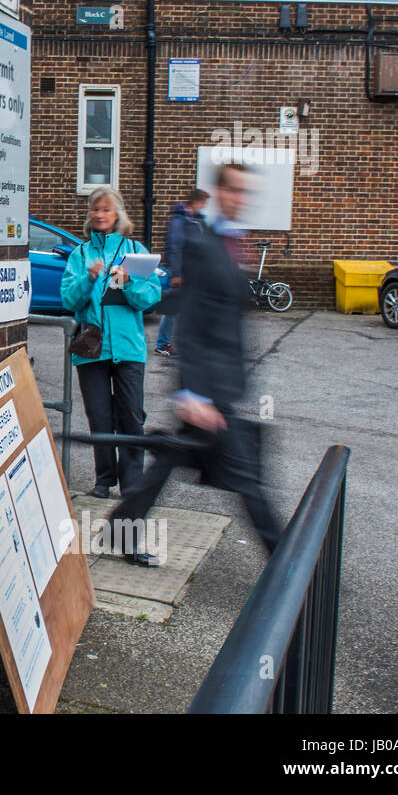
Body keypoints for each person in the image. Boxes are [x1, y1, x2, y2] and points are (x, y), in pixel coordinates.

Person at [106, 162, 283, 566]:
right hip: (207, 392)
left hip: (219, 387)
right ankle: (290, 564)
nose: (241, 198)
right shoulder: (204, 247)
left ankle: (120, 528)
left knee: (171, 460)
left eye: (247, 191)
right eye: (234, 190)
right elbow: (194, 321)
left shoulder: (232, 243)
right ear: (219, 193)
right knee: (248, 482)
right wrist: (191, 392)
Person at [60, 187, 163, 500]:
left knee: (131, 417)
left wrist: (128, 283)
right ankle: (104, 480)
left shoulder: (134, 251)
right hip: (91, 349)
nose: (100, 214)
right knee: (100, 417)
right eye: (95, 209)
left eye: (106, 209)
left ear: (118, 213)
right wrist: (89, 278)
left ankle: (132, 484)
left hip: (129, 348)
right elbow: (69, 300)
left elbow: (149, 298)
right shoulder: (80, 255)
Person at [154, 188, 209, 358]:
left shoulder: (197, 220)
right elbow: (174, 247)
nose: (204, 207)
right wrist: (176, 273)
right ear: (196, 202)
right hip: (182, 273)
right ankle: (162, 344)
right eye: (203, 203)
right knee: (172, 310)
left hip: (195, 273)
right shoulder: (179, 220)